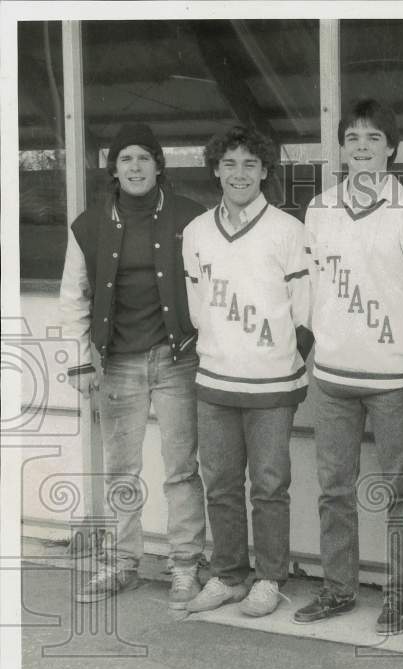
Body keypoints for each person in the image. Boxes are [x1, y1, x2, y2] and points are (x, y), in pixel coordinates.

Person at [59, 122, 208, 607]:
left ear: (159, 165)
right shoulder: (89, 224)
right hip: (117, 361)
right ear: (114, 169)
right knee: (121, 469)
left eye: (145, 158)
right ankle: (122, 563)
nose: (136, 167)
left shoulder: (190, 216)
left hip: (177, 358)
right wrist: (82, 362)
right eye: (126, 159)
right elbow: (72, 297)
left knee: (181, 468)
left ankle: (186, 565)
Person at [295, 99, 403, 634]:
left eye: (374, 138)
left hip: (392, 375)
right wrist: (313, 348)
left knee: (400, 489)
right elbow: (306, 288)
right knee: (334, 489)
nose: (363, 147)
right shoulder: (320, 209)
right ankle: (338, 589)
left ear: (391, 147)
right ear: (342, 148)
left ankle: (399, 596)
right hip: (332, 375)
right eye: (353, 138)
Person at [182, 126, 313, 618]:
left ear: (265, 172)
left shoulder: (288, 230)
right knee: (219, 483)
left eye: (251, 165)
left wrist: (280, 357)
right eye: (230, 164)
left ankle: (270, 577)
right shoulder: (196, 232)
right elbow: (198, 309)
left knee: (269, 485)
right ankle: (228, 575)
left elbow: (305, 311)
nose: (240, 174)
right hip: (215, 380)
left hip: (272, 384)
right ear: (216, 168)